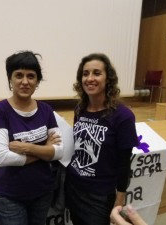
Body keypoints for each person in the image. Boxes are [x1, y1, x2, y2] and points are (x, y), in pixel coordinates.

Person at [0, 50, 64, 225]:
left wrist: (28, 148)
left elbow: (59, 151)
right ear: (10, 79)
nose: (25, 82)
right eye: (18, 75)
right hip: (10, 195)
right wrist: (44, 149)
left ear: (37, 82)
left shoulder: (46, 110)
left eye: (31, 76)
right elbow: (2, 157)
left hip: (43, 191)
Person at [65, 53, 139, 225]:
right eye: (85, 74)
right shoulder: (80, 109)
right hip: (74, 187)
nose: (89, 78)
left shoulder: (123, 116)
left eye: (96, 73)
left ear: (108, 79)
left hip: (99, 196)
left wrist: (119, 199)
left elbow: (124, 163)